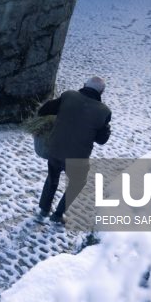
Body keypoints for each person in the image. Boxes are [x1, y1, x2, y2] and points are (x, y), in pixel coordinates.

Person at [36, 76, 111, 223]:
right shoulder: (104, 112)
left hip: (55, 149)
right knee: (77, 183)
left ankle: (44, 209)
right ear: (101, 92)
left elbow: (43, 111)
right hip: (78, 157)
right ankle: (58, 215)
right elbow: (101, 140)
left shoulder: (68, 96)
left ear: (84, 84)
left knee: (52, 178)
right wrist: (105, 128)